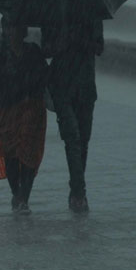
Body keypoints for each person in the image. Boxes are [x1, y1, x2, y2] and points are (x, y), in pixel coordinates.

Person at [0, 18, 49, 215]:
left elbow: (44, 80)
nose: (14, 30)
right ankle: (18, 194)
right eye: (10, 26)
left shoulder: (34, 52)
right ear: (4, 30)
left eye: (18, 25)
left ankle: (24, 197)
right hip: (7, 113)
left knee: (29, 154)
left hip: (32, 112)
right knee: (12, 155)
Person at [43, 11, 103, 213]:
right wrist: (62, 42)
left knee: (83, 140)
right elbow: (46, 49)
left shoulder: (92, 14)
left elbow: (99, 47)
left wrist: (80, 40)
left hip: (85, 86)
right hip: (61, 86)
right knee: (73, 138)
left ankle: (76, 187)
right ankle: (79, 191)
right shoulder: (51, 13)